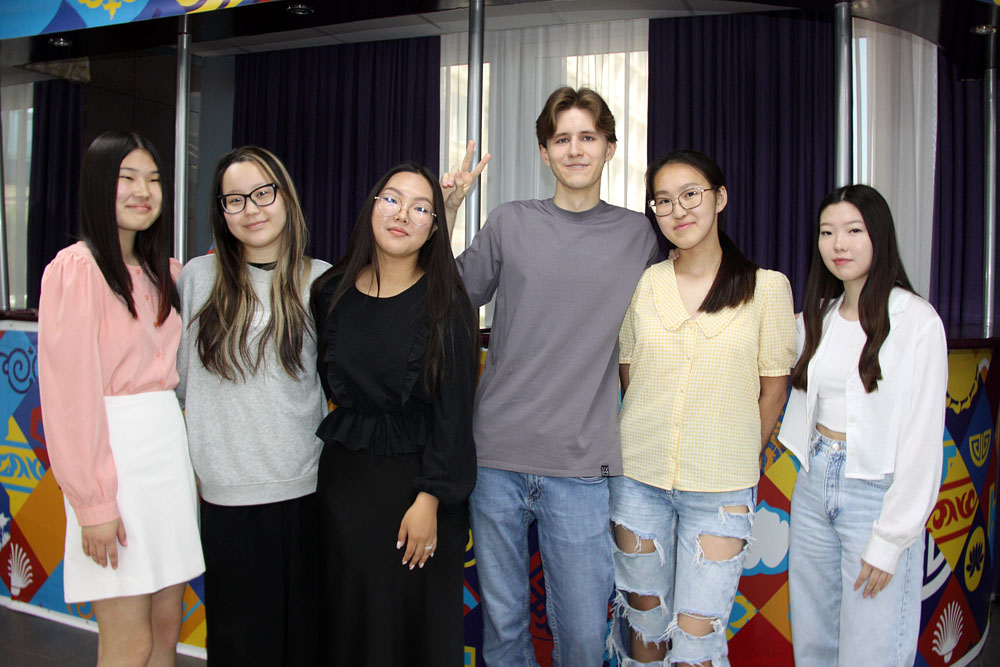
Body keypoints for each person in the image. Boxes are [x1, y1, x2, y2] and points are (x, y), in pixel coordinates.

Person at [441, 86, 658, 665]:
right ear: (544, 151)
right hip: (496, 459)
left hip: (583, 466)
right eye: (562, 139)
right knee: (504, 628)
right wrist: (449, 212)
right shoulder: (510, 221)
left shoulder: (639, 236)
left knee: (584, 636)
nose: (575, 149)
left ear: (610, 147)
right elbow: (449, 297)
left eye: (588, 137)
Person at [608, 150, 795, 666]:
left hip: (720, 491)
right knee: (645, 629)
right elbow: (630, 372)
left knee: (696, 642)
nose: (678, 210)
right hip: (638, 480)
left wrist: (737, 456)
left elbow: (773, 390)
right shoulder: (644, 284)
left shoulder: (766, 288)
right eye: (663, 201)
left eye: (691, 194)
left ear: (720, 197)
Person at [38, 130, 204, 665]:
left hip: (167, 458)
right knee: (129, 640)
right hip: (115, 464)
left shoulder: (168, 272)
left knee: (164, 628)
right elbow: (70, 398)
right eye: (126, 178)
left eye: (153, 179)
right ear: (97, 185)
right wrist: (94, 503)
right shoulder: (77, 270)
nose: (143, 191)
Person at [309, 163, 478, 666]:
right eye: (392, 200)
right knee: (348, 622)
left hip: (418, 493)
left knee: (412, 631)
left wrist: (429, 500)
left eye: (420, 208)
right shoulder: (330, 291)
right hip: (345, 489)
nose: (403, 215)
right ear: (371, 208)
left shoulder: (448, 303)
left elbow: (454, 414)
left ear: (434, 226)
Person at [778, 184, 946, 666]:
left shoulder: (916, 321)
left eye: (854, 231)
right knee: (813, 643)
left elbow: (922, 443)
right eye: (827, 232)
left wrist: (891, 539)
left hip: (876, 495)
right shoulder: (817, 318)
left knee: (872, 650)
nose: (839, 244)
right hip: (813, 487)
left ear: (879, 236)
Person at [175, 146, 330, 665]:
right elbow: (179, 383)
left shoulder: (322, 280)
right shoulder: (196, 279)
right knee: (240, 646)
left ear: (286, 197)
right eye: (235, 199)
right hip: (226, 497)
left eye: (263, 193)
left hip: (305, 491)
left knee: (302, 645)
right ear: (221, 211)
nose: (252, 209)